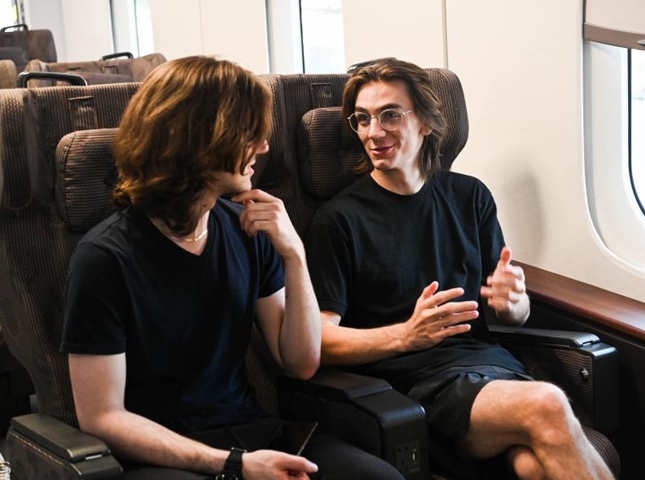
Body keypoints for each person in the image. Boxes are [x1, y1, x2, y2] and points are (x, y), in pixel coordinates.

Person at [61, 56, 403, 480]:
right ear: (202, 141)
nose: (262, 147)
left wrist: (293, 255)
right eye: (250, 135)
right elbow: (102, 417)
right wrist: (234, 465)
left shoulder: (246, 230)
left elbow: (300, 362)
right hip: (161, 454)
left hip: (251, 431)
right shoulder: (104, 258)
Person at [304, 58, 615, 480]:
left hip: (489, 366)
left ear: (427, 123)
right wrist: (405, 335)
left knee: (533, 469)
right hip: (406, 387)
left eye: (390, 115)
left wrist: (513, 301)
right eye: (362, 119)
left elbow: (510, 315)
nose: (373, 132)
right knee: (548, 404)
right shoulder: (338, 220)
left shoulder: (470, 196)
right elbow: (319, 341)